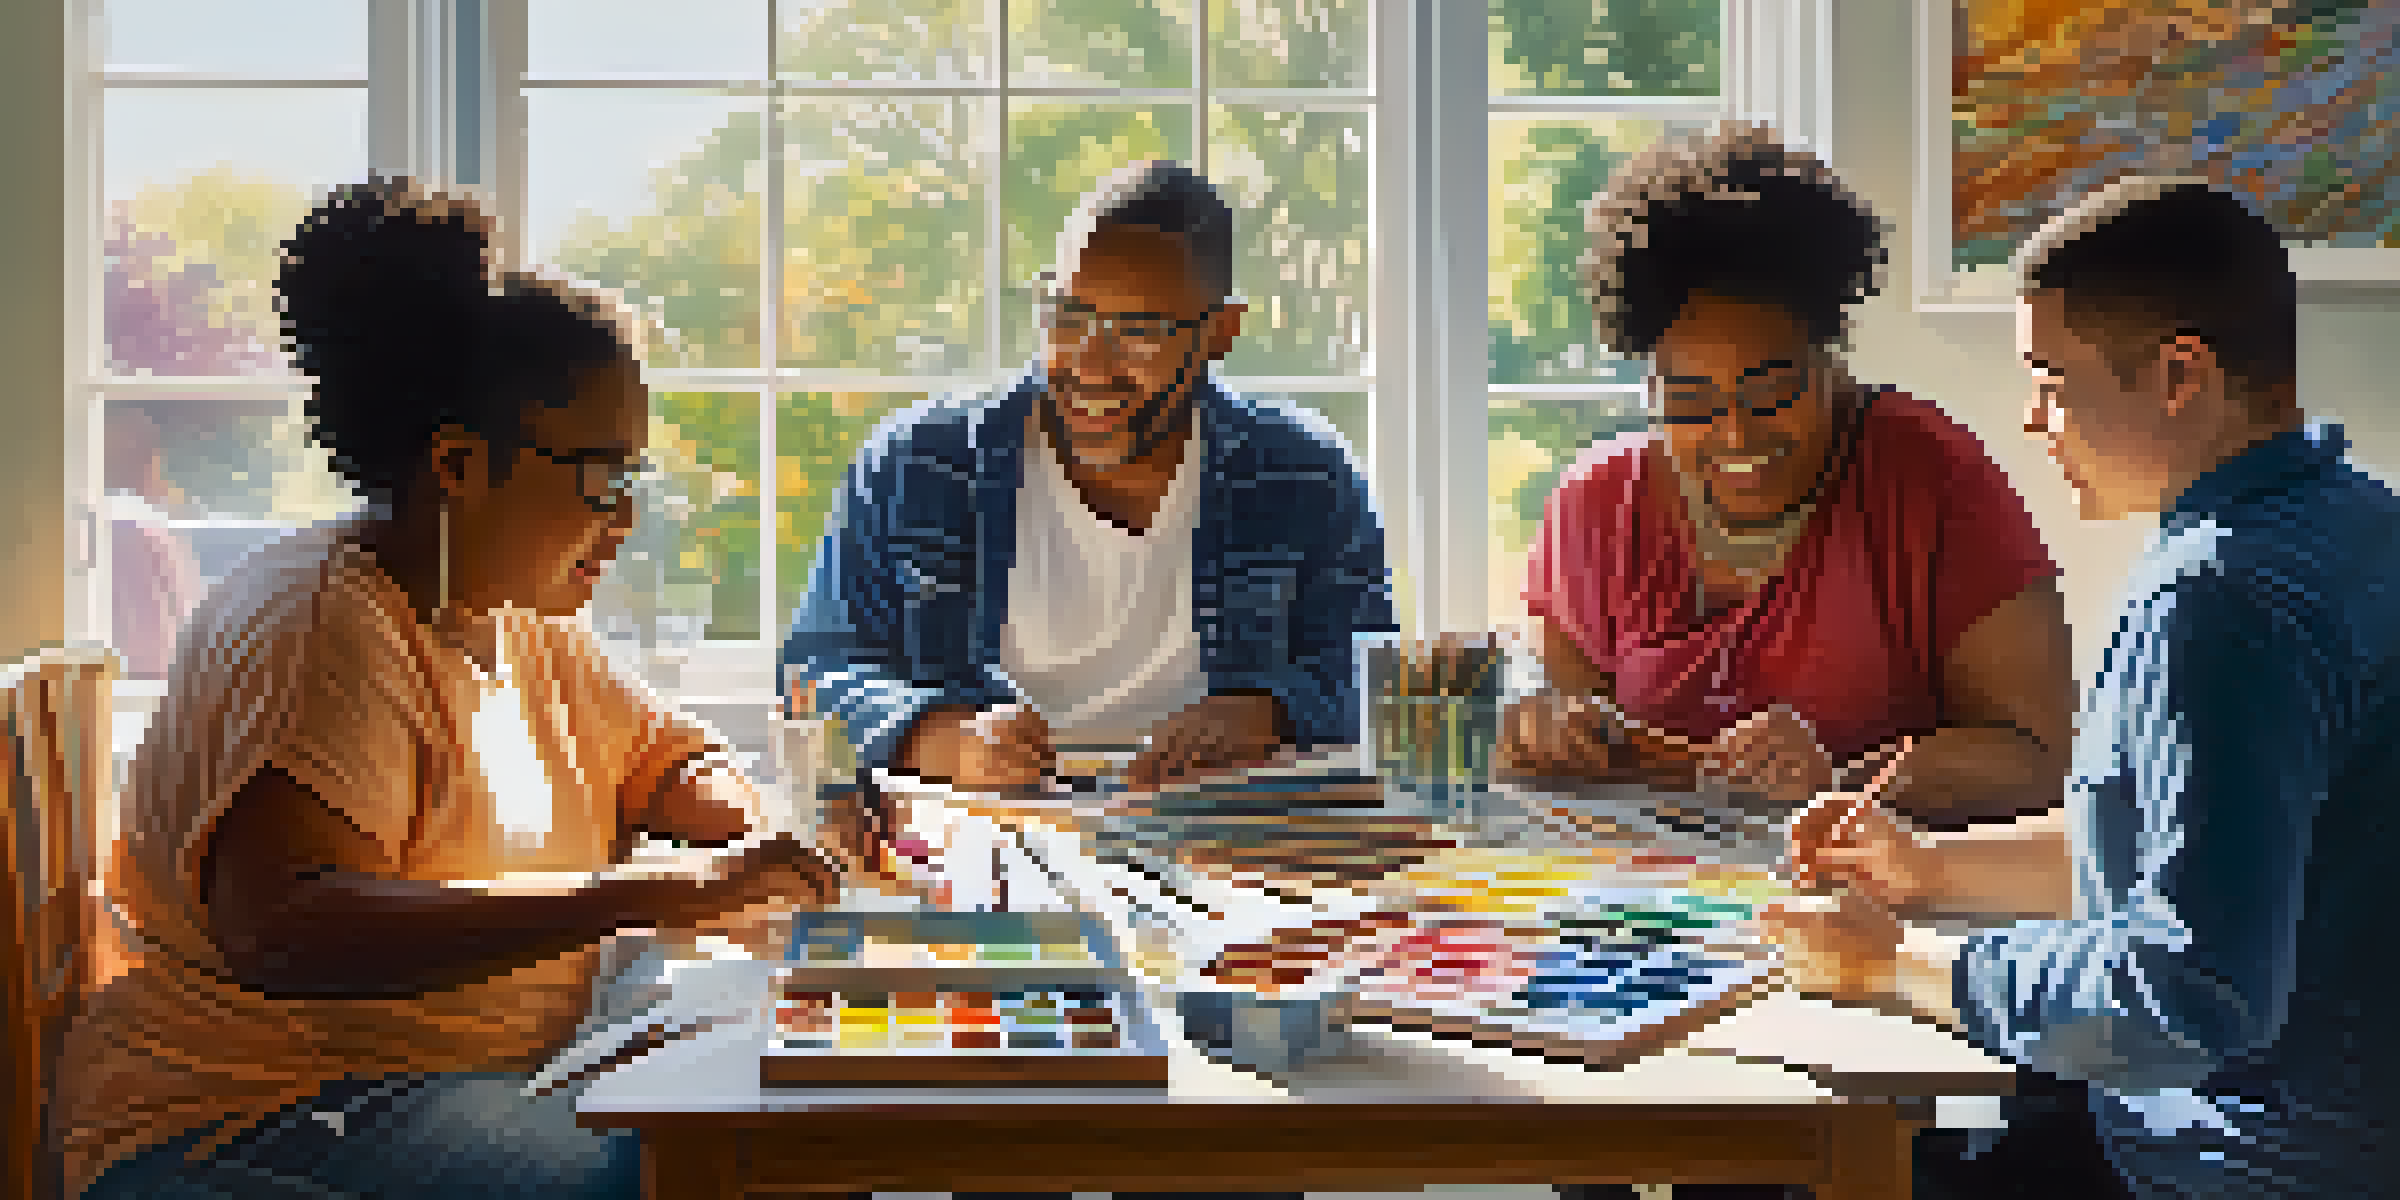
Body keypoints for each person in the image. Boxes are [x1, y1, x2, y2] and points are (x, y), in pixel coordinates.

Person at [56, 178, 855, 1200]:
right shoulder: (326, 627)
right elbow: (284, 926)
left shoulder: (512, 613)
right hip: (246, 1120)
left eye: (633, 484)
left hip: (431, 1084)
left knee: (771, 1131)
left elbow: (666, 758)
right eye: (602, 480)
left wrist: (747, 844)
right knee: (680, 1173)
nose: (624, 519)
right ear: (461, 463)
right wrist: (669, 891)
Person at [1770, 177, 2400, 1197]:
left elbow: (2188, 995)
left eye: (2053, 380)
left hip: (2237, 1163)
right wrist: (1929, 872)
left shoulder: (2220, 601)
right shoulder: (2354, 518)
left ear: (2178, 375)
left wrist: (1901, 967)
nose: (2032, 419)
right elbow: (2193, 848)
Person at [1498, 120, 2076, 832]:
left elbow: (2038, 756)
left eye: (1771, 392)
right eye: (1690, 402)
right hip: (1646, 902)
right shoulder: (1598, 504)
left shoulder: (1934, 480)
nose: (1736, 434)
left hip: (1871, 895)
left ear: (1830, 355)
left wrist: (1840, 781)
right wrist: (1538, 720)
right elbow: (1557, 724)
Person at [778, 159, 1396, 800]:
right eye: (1067, 317)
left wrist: (1268, 714)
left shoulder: (1304, 473)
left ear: (1220, 332)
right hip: (981, 840)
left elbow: (1372, 674)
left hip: (1225, 835)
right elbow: (814, 672)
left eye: (1139, 332)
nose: (1090, 366)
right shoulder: (915, 464)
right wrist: (943, 738)